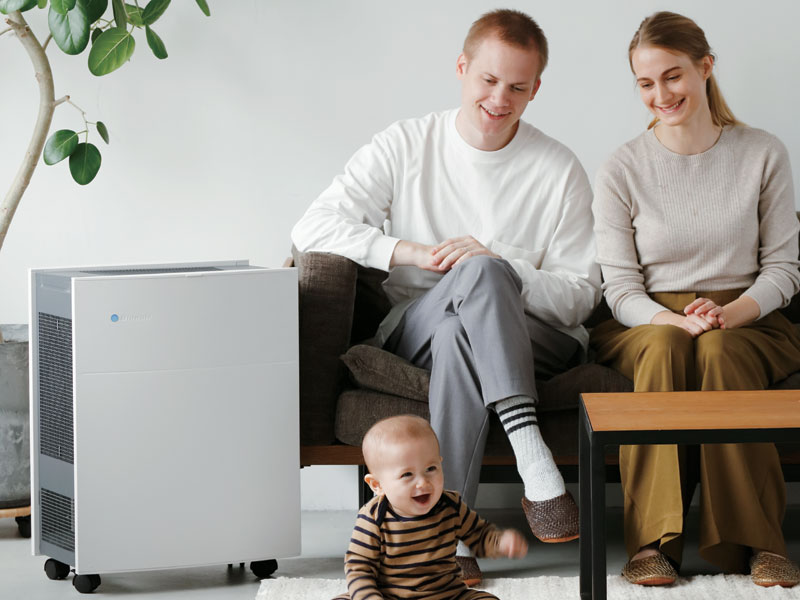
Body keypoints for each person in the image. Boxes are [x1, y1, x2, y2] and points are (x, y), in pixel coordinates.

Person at [292, 9, 600, 582]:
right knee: (465, 299)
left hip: (533, 337)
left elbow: (580, 298)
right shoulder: (407, 144)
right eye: (488, 79)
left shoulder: (559, 168)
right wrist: (408, 251)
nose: (500, 99)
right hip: (419, 328)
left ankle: (446, 540)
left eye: (517, 87)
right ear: (462, 68)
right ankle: (532, 453)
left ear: (536, 89)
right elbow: (313, 227)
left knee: (474, 304)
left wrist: (500, 266)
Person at [591, 10, 800, 589]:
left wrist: (728, 314)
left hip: (749, 317)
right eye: (646, 82)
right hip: (647, 321)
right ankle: (651, 543)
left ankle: (758, 541)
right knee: (665, 347)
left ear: (705, 67)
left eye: (673, 75)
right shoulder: (621, 167)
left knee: (720, 352)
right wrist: (671, 320)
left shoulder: (763, 153)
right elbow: (619, 288)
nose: (661, 94)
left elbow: (784, 269)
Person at [332, 415, 527, 600]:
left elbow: (479, 535)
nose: (423, 482)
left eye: (431, 469)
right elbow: (360, 568)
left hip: (446, 594)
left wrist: (500, 542)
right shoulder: (373, 518)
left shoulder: (451, 506)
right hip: (389, 596)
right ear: (377, 485)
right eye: (407, 474)